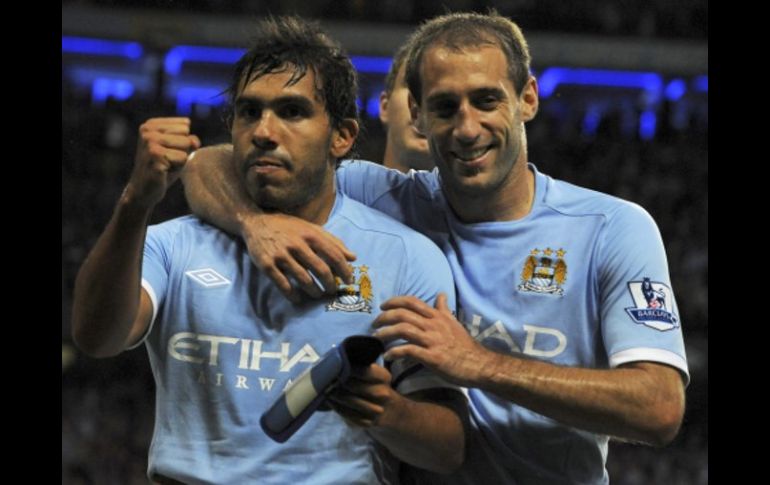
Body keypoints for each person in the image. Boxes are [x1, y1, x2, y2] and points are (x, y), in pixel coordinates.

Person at [183, 11, 688, 484]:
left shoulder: (610, 228)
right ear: (419, 117)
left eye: (486, 100)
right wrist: (255, 223)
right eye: (446, 107)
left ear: (527, 99)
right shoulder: (378, 198)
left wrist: (478, 363)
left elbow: (659, 409)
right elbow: (208, 164)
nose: (467, 128)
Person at [71, 16, 466, 484]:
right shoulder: (172, 243)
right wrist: (135, 203)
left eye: (292, 112)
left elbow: (450, 448)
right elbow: (96, 338)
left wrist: (390, 412)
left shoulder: (406, 257)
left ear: (341, 136)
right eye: (249, 112)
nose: (264, 130)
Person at [379, 42, 434, 172]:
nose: (422, 102)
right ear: (385, 107)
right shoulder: (339, 189)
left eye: (440, 93)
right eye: (413, 86)